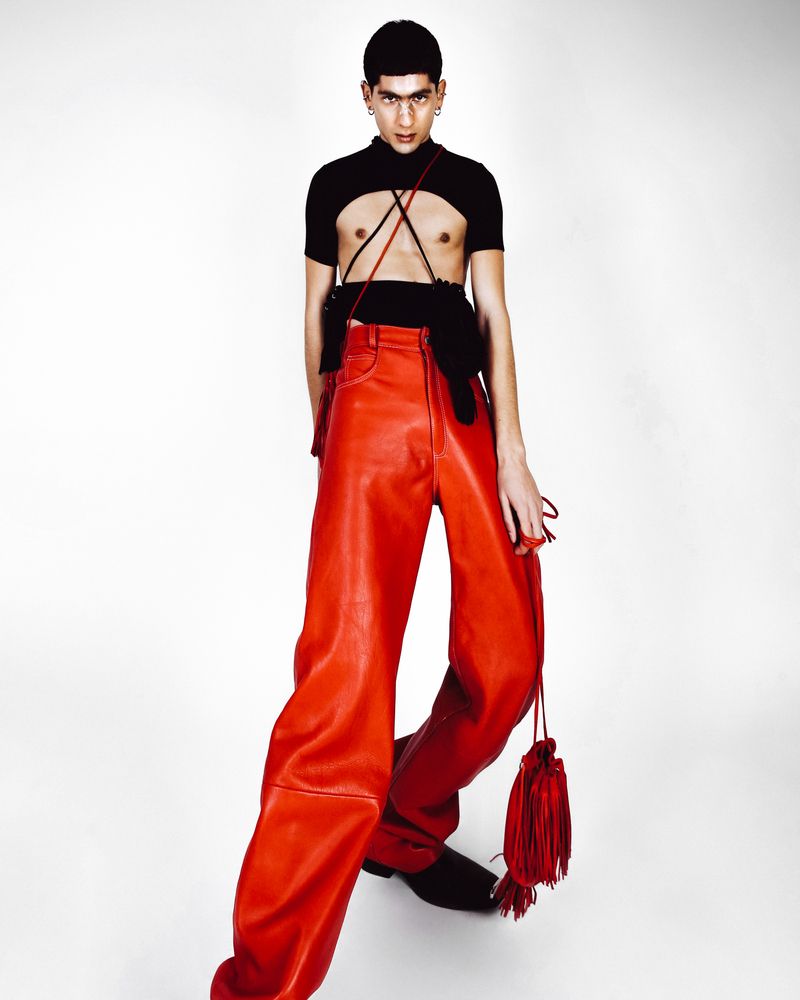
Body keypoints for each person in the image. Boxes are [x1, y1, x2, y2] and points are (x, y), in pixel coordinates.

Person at [210, 18, 550, 1000]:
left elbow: (495, 315)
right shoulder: (332, 185)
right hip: (366, 398)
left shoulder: (473, 184)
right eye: (388, 96)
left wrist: (514, 456)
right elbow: (314, 312)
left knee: (508, 659)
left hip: (461, 401)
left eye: (419, 96)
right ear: (366, 97)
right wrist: (328, 423)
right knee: (343, 691)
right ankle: (262, 981)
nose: (405, 114)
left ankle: (398, 823)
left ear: (441, 94)